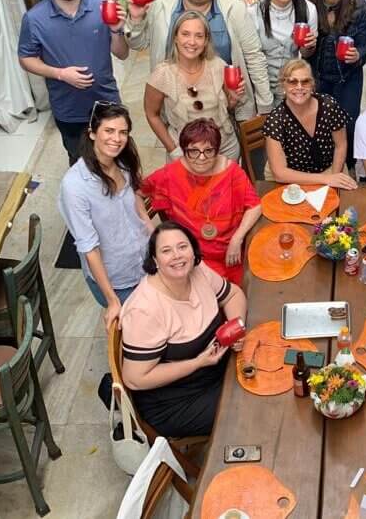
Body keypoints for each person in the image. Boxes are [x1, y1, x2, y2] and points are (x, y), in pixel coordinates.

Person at [120, 221, 248, 438]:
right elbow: (135, 379)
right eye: (166, 251)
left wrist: (235, 327)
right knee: (245, 408)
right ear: (155, 260)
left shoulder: (198, 271)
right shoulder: (145, 309)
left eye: (182, 247)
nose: (177, 256)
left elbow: (233, 294)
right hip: (176, 399)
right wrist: (197, 362)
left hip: (213, 371)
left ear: (193, 250)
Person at [125, 0, 271, 121]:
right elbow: (138, 44)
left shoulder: (235, 9)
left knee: (227, 146)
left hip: (227, 104)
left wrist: (265, 105)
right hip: (175, 108)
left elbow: (254, 56)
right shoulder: (160, 4)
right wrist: (136, 18)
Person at [18, 0, 128, 165]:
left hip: (108, 103)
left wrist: (116, 30)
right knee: (81, 164)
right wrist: (59, 74)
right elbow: (26, 58)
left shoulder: (102, 8)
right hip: (69, 110)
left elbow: (122, 53)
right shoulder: (34, 19)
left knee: (117, 160)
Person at [58, 102, 152, 328]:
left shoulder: (122, 161)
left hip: (145, 262)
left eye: (123, 132)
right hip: (118, 280)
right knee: (142, 331)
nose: (117, 139)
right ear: (92, 133)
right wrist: (112, 300)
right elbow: (89, 247)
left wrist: (153, 231)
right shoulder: (75, 186)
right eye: (109, 131)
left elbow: (135, 197)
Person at [141, 119, 262, 286]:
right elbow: (137, 192)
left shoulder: (232, 172)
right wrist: (150, 226)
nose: (202, 157)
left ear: (217, 150)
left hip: (233, 252)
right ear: (184, 151)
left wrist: (237, 239)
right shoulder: (170, 174)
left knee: (253, 287)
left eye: (208, 151)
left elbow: (255, 206)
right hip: (195, 258)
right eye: (193, 151)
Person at [143, 11, 244, 161]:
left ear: (206, 41)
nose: (192, 42)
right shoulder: (162, 75)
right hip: (185, 151)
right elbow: (152, 115)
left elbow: (224, 108)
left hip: (225, 149)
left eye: (199, 36)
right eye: (185, 34)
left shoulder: (218, 65)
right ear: (175, 37)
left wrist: (233, 100)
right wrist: (173, 149)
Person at [304, 0, 366, 166]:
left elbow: (364, 46)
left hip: (347, 78)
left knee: (348, 125)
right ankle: (319, 167)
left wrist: (357, 55)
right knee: (316, 124)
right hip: (316, 76)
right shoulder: (304, 1)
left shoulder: (359, 7)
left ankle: (347, 168)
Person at [262, 59, 357, 189]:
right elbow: (280, 173)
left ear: (312, 84)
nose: (299, 87)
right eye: (292, 81)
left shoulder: (329, 106)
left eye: (305, 81)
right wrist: (325, 180)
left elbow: (341, 145)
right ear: (283, 85)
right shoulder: (275, 120)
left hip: (330, 168)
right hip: (291, 177)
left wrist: (333, 178)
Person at [245, 0, 318, 102]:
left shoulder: (308, 9)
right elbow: (249, 56)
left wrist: (309, 46)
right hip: (256, 90)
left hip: (290, 91)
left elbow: (305, 54)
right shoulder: (253, 9)